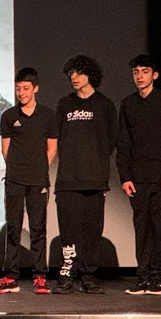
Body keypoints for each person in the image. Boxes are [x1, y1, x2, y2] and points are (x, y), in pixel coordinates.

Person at [117, 54, 161, 296]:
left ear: (154, 75)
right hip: (137, 178)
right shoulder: (128, 103)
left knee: (160, 228)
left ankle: (159, 278)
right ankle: (143, 277)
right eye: (136, 72)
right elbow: (123, 143)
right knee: (141, 228)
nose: (139, 76)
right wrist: (124, 176)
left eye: (144, 71)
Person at [52, 55, 117, 295]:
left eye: (78, 73)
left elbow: (111, 140)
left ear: (90, 74)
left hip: (94, 179)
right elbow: (56, 138)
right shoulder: (64, 104)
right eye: (71, 74)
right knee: (68, 229)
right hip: (68, 179)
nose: (73, 78)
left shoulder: (104, 105)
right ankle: (66, 274)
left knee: (91, 230)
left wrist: (94, 161)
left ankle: (88, 275)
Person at [0, 68, 58, 295]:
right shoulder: (9, 116)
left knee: (37, 227)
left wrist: (39, 168)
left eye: (25, 88)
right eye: (17, 88)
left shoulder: (47, 115)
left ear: (35, 89)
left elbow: (52, 147)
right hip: (14, 178)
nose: (21, 93)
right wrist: (18, 167)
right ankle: (11, 276)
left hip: (37, 179)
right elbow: (6, 150)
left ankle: (40, 275)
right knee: (13, 227)